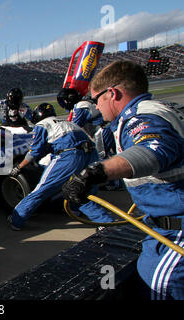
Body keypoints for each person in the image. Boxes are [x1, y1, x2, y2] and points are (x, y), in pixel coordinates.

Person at [62, 60, 183, 300]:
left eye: (97, 100)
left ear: (113, 93)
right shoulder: (165, 107)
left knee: (158, 286)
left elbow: (154, 149)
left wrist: (93, 173)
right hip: (164, 224)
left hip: (177, 230)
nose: (96, 108)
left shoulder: (140, 117)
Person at [7, 103, 114, 231]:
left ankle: (17, 220)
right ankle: (105, 222)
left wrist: (19, 167)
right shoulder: (67, 123)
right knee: (79, 191)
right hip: (91, 154)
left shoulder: (42, 125)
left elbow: (35, 151)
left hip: (69, 156)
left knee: (41, 190)